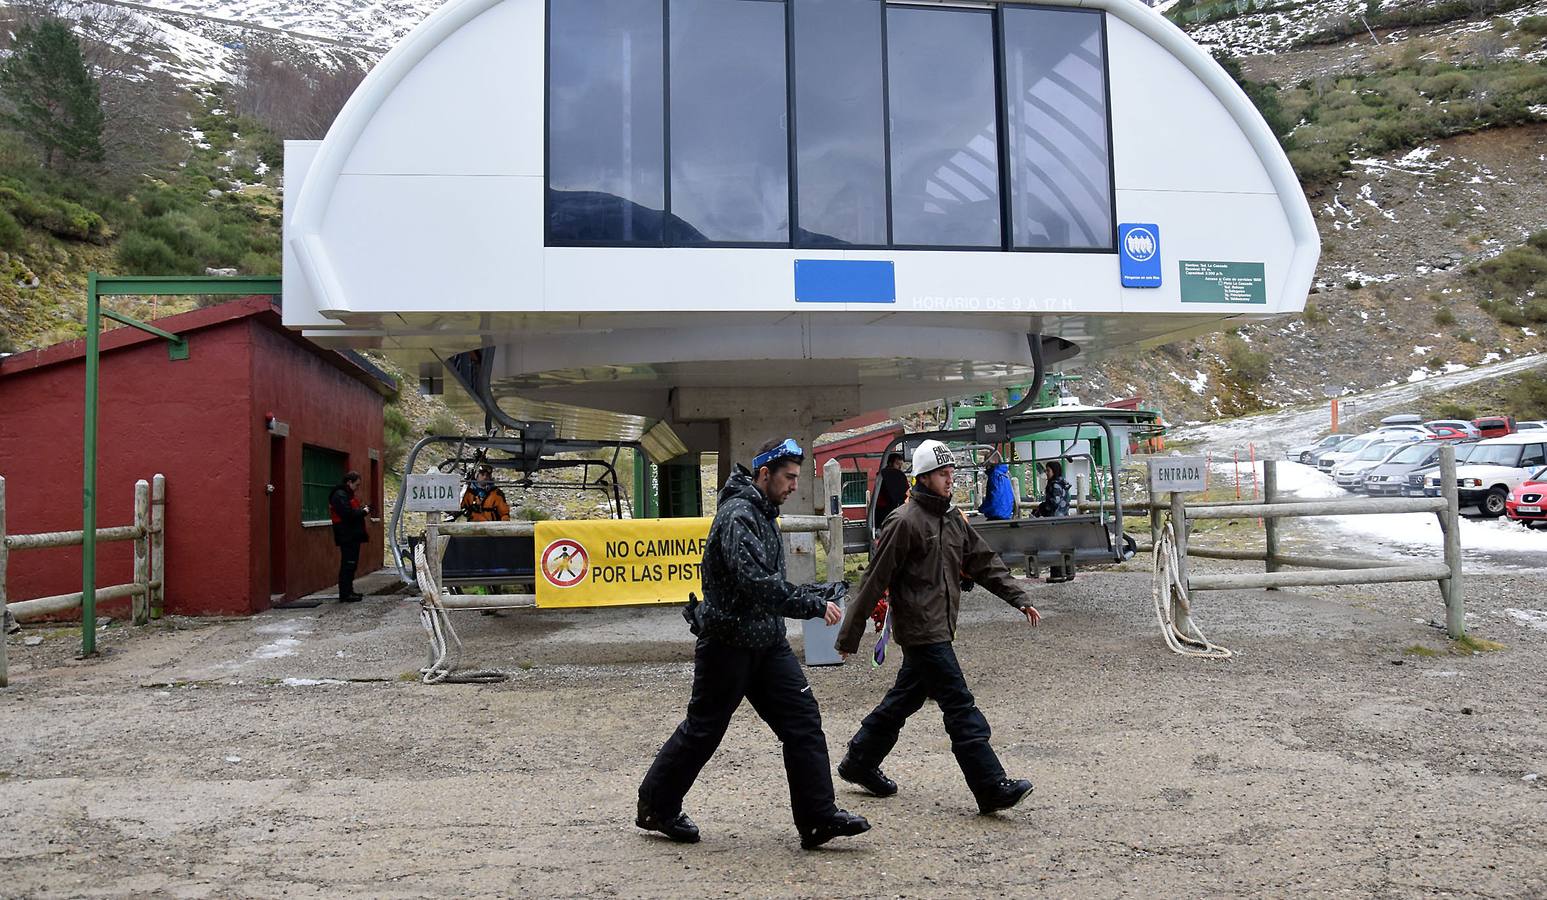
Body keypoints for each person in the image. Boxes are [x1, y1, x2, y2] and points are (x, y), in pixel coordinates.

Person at [637, 438, 871, 850]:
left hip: (766, 643)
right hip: (727, 645)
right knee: (704, 731)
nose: (793, 487)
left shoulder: (763, 513)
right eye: (789, 478)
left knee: (802, 722)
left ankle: (818, 819)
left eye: (798, 478)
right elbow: (758, 584)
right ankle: (657, 806)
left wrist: (808, 595)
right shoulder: (738, 516)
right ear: (765, 474)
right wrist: (812, 605)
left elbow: (767, 583)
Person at [834, 439, 1041, 815]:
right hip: (921, 630)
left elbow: (983, 562)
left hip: (940, 627)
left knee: (904, 700)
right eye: (944, 474)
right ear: (924, 477)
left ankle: (859, 761)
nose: (951, 480)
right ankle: (990, 785)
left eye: (952, 473)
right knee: (960, 705)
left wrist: (1019, 597)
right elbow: (873, 580)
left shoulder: (952, 518)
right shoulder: (904, 521)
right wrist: (849, 635)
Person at [329, 471, 370, 602]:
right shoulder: (340, 495)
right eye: (356, 485)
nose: (358, 488)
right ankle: (346, 594)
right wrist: (363, 512)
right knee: (348, 564)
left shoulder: (344, 495)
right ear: (349, 482)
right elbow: (348, 514)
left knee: (350, 564)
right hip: (347, 535)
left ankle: (349, 592)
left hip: (351, 535)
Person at [1033, 461, 1073, 583]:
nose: (1046, 473)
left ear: (1054, 471)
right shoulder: (1063, 483)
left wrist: (1041, 508)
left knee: (1054, 547)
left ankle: (1057, 573)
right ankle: (1069, 571)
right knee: (1064, 546)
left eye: (1048, 470)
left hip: (1054, 520)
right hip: (1063, 518)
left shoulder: (1054, 485)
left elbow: (1053, 503)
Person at [873, 452, 909, 528]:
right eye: (897, 464)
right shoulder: (889, 476)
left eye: (901, 465)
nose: (899, 467)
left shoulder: (882, 475)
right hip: (884, 510)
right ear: (890, 463)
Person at [978, 448, 1015, 521]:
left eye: (986, 461)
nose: (985, 464)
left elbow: (995, 497)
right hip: (1006, 513)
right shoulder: (1004, 474)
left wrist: (983, 508)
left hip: (997, 515)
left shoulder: (994, 475)